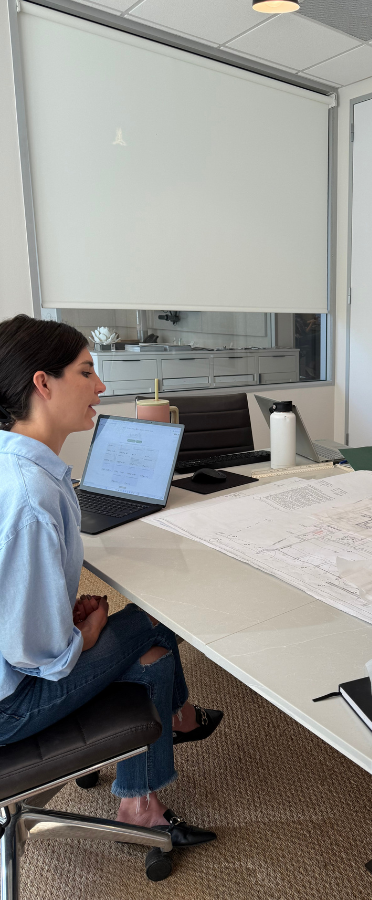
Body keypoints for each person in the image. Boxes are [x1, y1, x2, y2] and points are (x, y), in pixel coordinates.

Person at [0, 314, 223, 845]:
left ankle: (157, 768)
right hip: (10, 706)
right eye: (86, 372)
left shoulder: (15, 466)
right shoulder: (33, 495)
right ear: (42, 382)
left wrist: (63, 620)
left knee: (152, 656)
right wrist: (86, 635)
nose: (100, 386)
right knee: (153, 624)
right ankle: (173, 733)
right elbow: (37, 654)